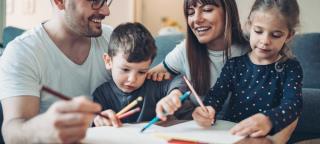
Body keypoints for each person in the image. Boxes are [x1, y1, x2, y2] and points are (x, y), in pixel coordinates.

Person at [0, 0, 113, 143]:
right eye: (96, 1)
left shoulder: (112, 40)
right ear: (59, 2)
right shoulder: (23, 52)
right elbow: (11, 133)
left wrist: (150, 78)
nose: (106, 11)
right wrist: (40, 130)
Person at [191, 0, 302, 143]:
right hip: (231, 135)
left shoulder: (290, 67)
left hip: (264, 138)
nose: (265, 40)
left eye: (275, 35)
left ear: (289, 35)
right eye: (258, 31)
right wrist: (206, 110)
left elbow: (293, 104)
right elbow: (215, 96)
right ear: (249, 26)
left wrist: (269, 120)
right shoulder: (234, 65)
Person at [92, 22, 186, 127]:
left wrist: (175, 94)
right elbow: (93, 122)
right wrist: (98, 119)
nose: (132, 79)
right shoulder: (101, 94)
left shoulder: (154, 85)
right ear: (108, 61)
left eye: (142, 72)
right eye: (125, 69)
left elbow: (181, 81)